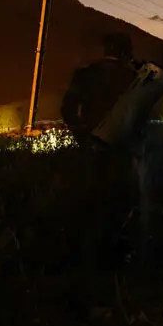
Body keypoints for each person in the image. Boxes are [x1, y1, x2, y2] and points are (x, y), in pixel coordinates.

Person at [59, 32, 142, 268]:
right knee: (121, 200)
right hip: (121, 148)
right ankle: (117, 257)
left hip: (92, 147)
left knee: (92, 200)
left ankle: (89, 257)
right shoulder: (133, 78)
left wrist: (82, 136)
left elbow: (67, 109)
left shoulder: (85, 75)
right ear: (126, 52)